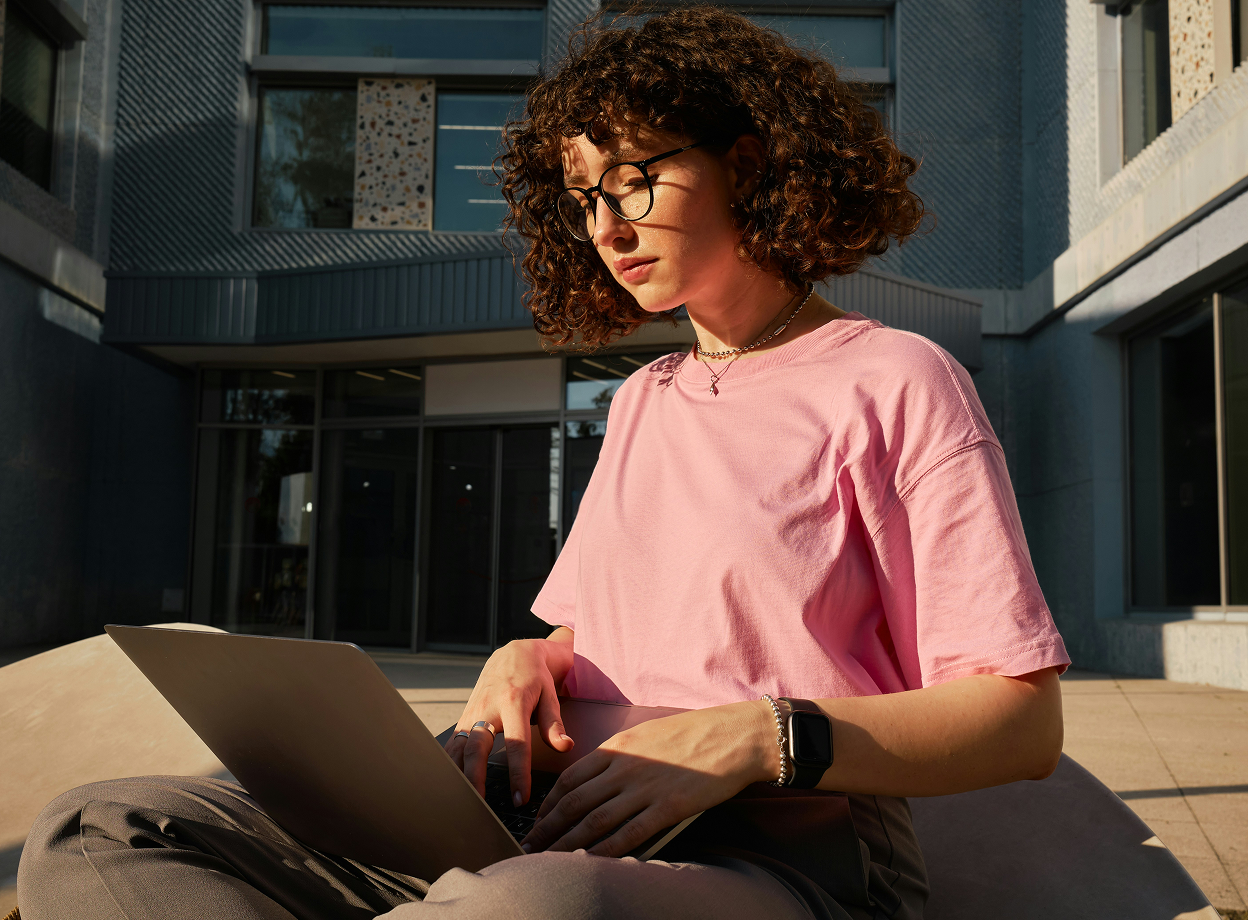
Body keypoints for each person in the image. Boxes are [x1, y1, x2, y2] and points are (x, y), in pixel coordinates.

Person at [17, 7, 1069, 920]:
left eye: (637, 179)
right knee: (98, 826)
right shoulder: (646, 400)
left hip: (770, 847)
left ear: (746, 166)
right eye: (583, 196)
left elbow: (1018, 719)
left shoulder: (894, 378)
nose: (606, 224)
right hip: (538, 818)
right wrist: (530, 658)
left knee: (532, 905)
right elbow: (611, 627)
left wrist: (756, 738)